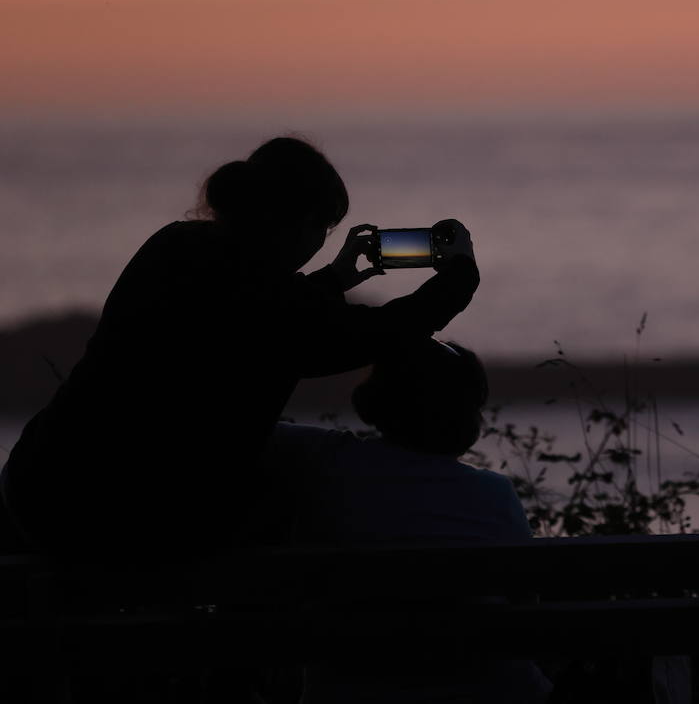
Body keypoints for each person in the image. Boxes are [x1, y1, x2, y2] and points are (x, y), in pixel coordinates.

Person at [0, 135, 480, 561]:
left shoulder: (175, 245)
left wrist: (333, 280)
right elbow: (374, 333)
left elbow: (258, 311)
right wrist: (460, 276)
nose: (320, 241)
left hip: (42, 479)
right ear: (296, 222)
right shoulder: (273, 306)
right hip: (130, 525)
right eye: (323, 227)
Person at [265, 337, 552, 704]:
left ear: (376, 400)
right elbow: (526, 613)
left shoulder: (323, 461)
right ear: (466, 414)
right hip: (496, 692)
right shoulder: (496, 494)